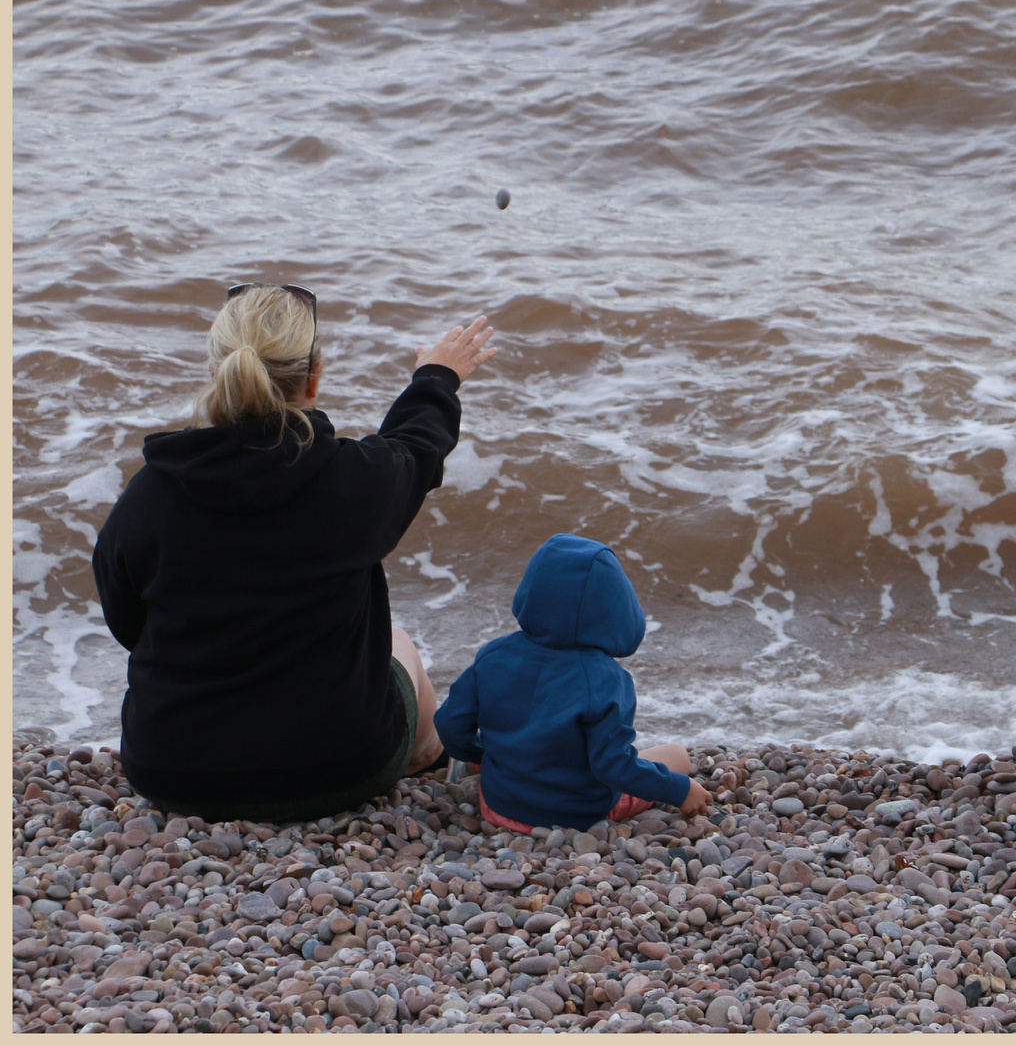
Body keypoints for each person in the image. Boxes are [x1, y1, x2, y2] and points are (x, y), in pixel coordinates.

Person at [92, 282, 498, 822]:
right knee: (397, 643)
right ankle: (428, 764)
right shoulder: (353, 482)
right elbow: (417, 448)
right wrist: (437, 376)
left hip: (173, 772)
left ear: (217, 373)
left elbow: (128, 625)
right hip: (339, 769)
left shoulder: (149, 497)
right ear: (314, 377)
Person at [433, 533, 714, 832]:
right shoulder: (606, 680)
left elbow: (450, 724)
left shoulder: (493, 656)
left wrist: (482, 755)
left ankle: (476, 770)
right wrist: (678, 790)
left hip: (497, 805)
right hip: (575, 816)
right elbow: (613, 767)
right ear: (617, 607)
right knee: (677, 755)